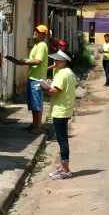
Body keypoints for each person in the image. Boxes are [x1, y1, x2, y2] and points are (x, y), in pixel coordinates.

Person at [43, 50, 78, 179]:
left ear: (64, 61)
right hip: (66, 109)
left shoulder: (62, 74)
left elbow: (54, 91)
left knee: (62, 140)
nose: (55, 62)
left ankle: (66, 169)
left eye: (57, 60)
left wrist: (43, 87)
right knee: (62, 139)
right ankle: (63, 166)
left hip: (60, 110)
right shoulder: (69, 73)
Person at [22, 25, 50, 133]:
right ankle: (34, 124)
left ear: (43, 35)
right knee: (33, 103)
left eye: (38, 32)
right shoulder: (36, 45)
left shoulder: (42, 45)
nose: (35, 32)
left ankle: (38, 126)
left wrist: (24, 62)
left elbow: (38, 61)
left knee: (37, 103)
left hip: (37, 78)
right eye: (35, 30)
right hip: (33, 76)